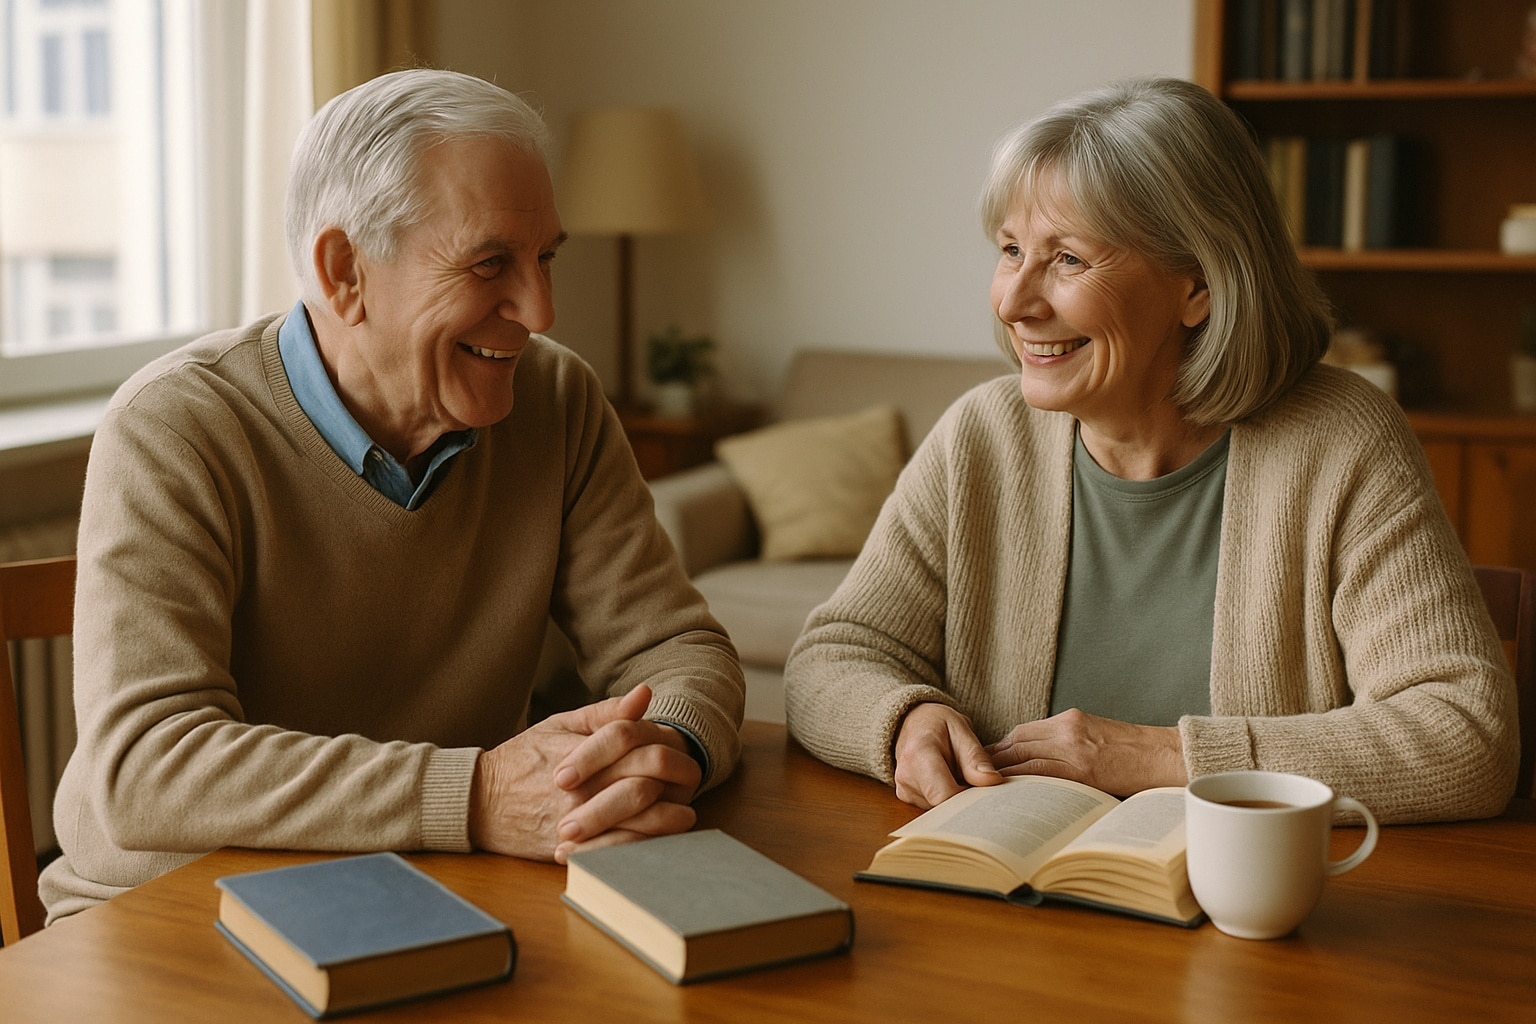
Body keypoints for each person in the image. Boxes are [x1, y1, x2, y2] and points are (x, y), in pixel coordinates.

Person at [40, 69, 744, 922]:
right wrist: (475, 795)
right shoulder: (175, 427)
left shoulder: (558, 402)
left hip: (440, 893)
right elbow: (145, 771)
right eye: (492, 263)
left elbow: (677, 647)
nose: (543, 309)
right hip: (173, 914)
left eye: (547, 256)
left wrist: (656, 755)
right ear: (344, 273)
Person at [783, 76, 1518, 824]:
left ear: (1197, 286)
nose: (1013, 301)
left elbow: (1466, 735)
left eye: (1067, 259)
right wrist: (903, 720)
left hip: (1253, 915)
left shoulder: (1340, 442)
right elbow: (830, 658)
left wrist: (1162, 758)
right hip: (1005, 906)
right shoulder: (982, 436)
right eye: (1011, 250)